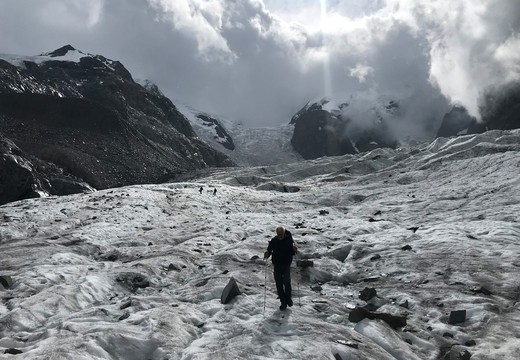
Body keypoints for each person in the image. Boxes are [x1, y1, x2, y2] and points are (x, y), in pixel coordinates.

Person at [264, 226, 298, 310]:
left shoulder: (289, 240)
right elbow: (269, 249)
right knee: (279, 284)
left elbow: (293, 252)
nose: (280, 235)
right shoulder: (274, 240)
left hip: (286, 264)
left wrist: (294, 250)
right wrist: (267, 253)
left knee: (286, 282)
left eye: (281, 234)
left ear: (284, 233)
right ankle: (283, 303)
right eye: (278, 234)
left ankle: (288, 299)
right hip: (277, 264)